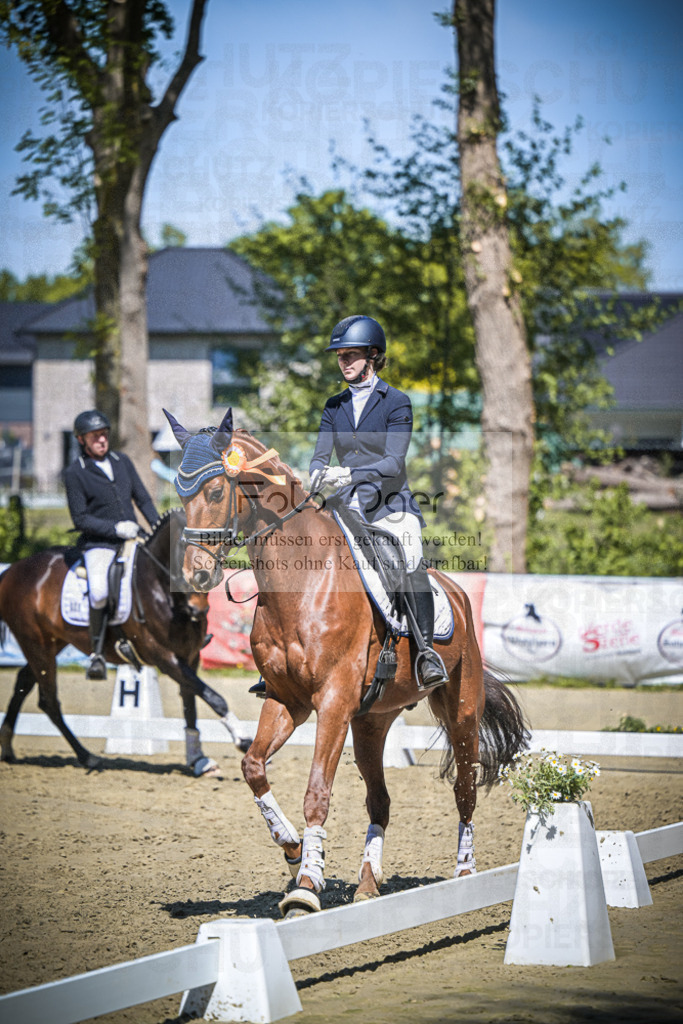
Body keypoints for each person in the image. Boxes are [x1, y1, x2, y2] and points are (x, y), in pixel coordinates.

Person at [309, 314, 449, 689]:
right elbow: (320, 455)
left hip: (391, 505)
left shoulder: (396, 402)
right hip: (344, 504)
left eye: (351, 355)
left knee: (411, 558)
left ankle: (425, 654)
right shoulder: (334, 406)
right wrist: (317, 472)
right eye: (340, 356)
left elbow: (393, 462)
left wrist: (348, 474)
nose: (343, 362)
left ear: (373, 355)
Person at [64, 410, 160, 680]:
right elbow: (80, 519)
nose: (102, 440)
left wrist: (157, 528)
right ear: (82, 440)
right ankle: (96, 653)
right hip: (100, 544)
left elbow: (143, 499)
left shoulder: (122, 461)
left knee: (165, 568)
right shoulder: (75, 472)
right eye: (95, 436)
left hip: (134, 537)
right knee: (99, 591)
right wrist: (115, 528)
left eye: (104, 435)